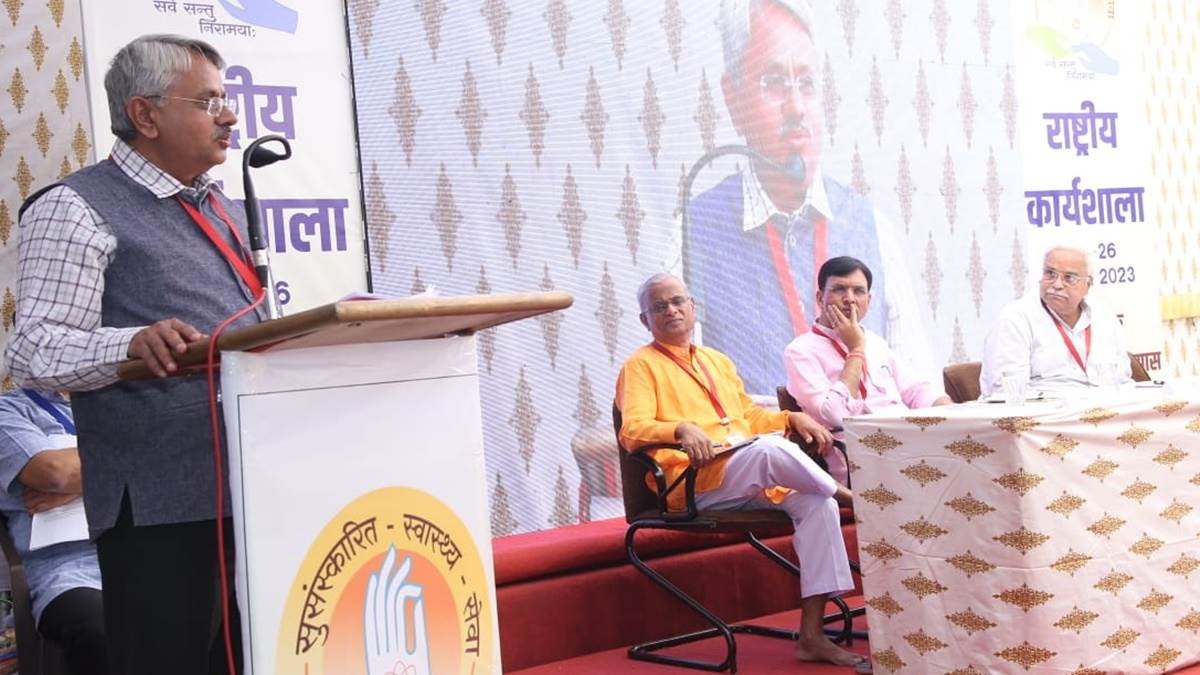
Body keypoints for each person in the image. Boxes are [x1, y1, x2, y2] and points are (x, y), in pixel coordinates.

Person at [5, 34, 264, 674]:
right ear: (145, 115)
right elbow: (33, 348)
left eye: (226, 99)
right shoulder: (73, 206)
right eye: (208, 102)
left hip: (255, 487)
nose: (230, 116)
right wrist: (129, 342)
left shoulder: (222, 207)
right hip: (158, 506)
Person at [615, 272, 865, 669]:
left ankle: (812, 635)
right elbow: (632, 431)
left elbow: (747, 416)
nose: (671, 310)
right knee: (768, 451)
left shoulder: (716, 360)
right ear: (645, 320)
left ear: (693, 307)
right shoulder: (640, 366)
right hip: (693, 481)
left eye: (678, 301)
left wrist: (789, 418)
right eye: (659, 306)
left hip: (743, 472)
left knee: (819, 505)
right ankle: (853, 498)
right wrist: (679, 429)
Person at [685, 0, 929, 396]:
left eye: (807, 83)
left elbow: (916, 372)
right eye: (773, 83)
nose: (796, 108)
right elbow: (684, 378)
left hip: (870, 431)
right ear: (733, 99)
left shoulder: (869, 223)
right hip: (764, 432)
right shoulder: (695, 229)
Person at [783, 257, 950, 481]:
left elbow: (917, 390)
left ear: (868, 301)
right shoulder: (801, 351)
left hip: (909, 442)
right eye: (839, 289)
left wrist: (952, 412)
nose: (850, 299)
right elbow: (835, 416)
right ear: (820, 297)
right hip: (860, 457)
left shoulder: (875, 342)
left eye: (858, 291)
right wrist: (856, 350)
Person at [0, 389, 107, 674]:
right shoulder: (11, 411)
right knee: (100, 627)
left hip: (143, 552)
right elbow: (54, 472)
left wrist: (82, 484)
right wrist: (132, 461)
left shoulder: (127, 395)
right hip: (71, 570)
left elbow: (180, 457)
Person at [980, 244, 1132, 395]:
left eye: (1069, 278)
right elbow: (1006, 391)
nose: (1057, 285)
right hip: (1047, 408)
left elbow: (1122, 379)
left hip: (1102, 405)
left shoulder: (1103, 315)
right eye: (1050, 274)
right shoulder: (1015, 319)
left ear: (1088, 285)